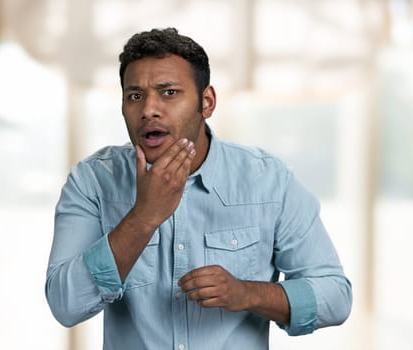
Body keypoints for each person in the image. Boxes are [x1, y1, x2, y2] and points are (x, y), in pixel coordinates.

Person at [46, 27, 352, 349]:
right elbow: (65, 304)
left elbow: (335, 296)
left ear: (206, 102)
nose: (149, 109)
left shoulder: (269, 182)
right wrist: (143, 218)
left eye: (169, 92)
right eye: (135, 96)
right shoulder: (92, 181)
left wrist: (247, 293)